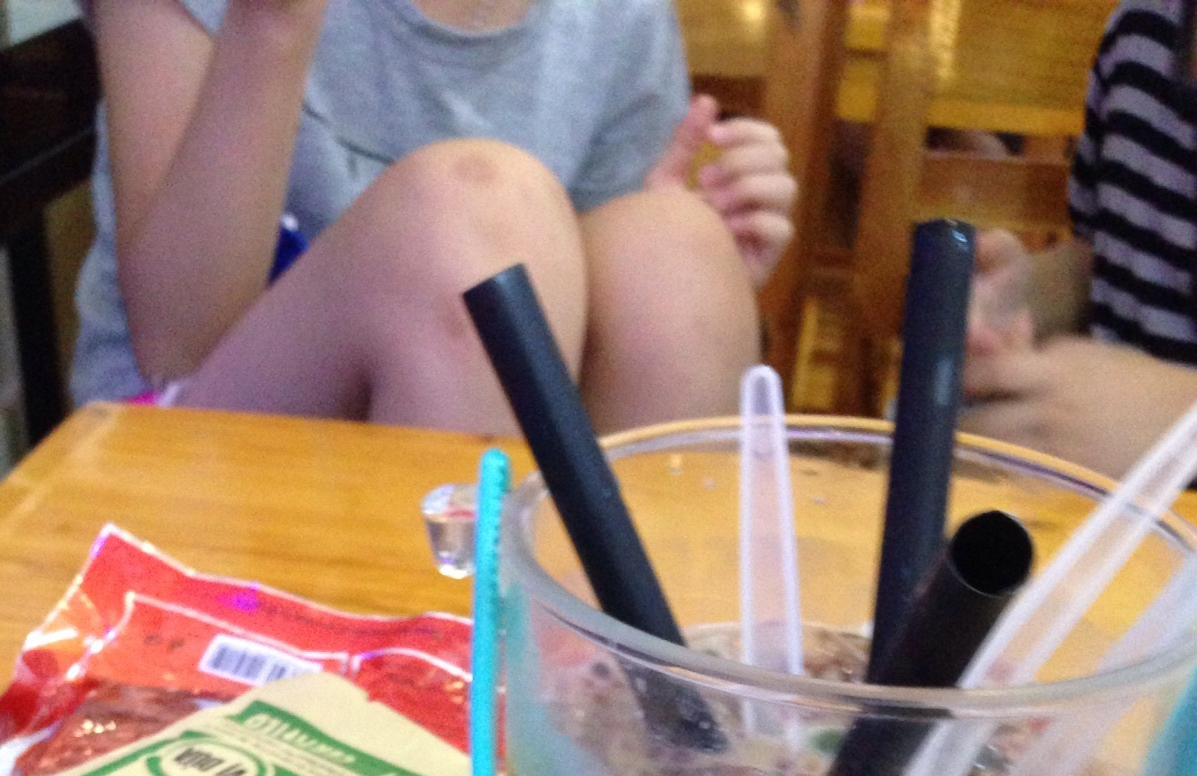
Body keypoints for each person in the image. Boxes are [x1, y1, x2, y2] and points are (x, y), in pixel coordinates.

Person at [71, 0, 798, 434]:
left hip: (500, 478)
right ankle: (448, 640)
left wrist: (702, 243)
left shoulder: (613, 16)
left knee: (674, 254)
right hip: (193, 461)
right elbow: (177, 346)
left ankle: (611, 656)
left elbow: (603, 321)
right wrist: (272, 20)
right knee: (471, 218)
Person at [964, 0, 1197, 475]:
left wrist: (1179, 425)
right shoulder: (1141, 30)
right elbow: (1103, 261)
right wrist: (1018, 298)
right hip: (1100, 503)